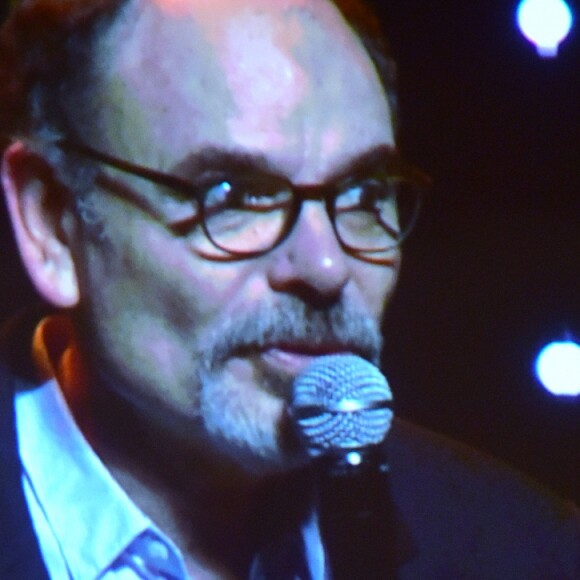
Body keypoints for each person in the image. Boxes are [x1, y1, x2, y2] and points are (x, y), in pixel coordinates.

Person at [0, 0, 578, 578]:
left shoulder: (525, 549)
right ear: (51, 221)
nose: (326, 266)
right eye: (233, 196)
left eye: (363, 194)